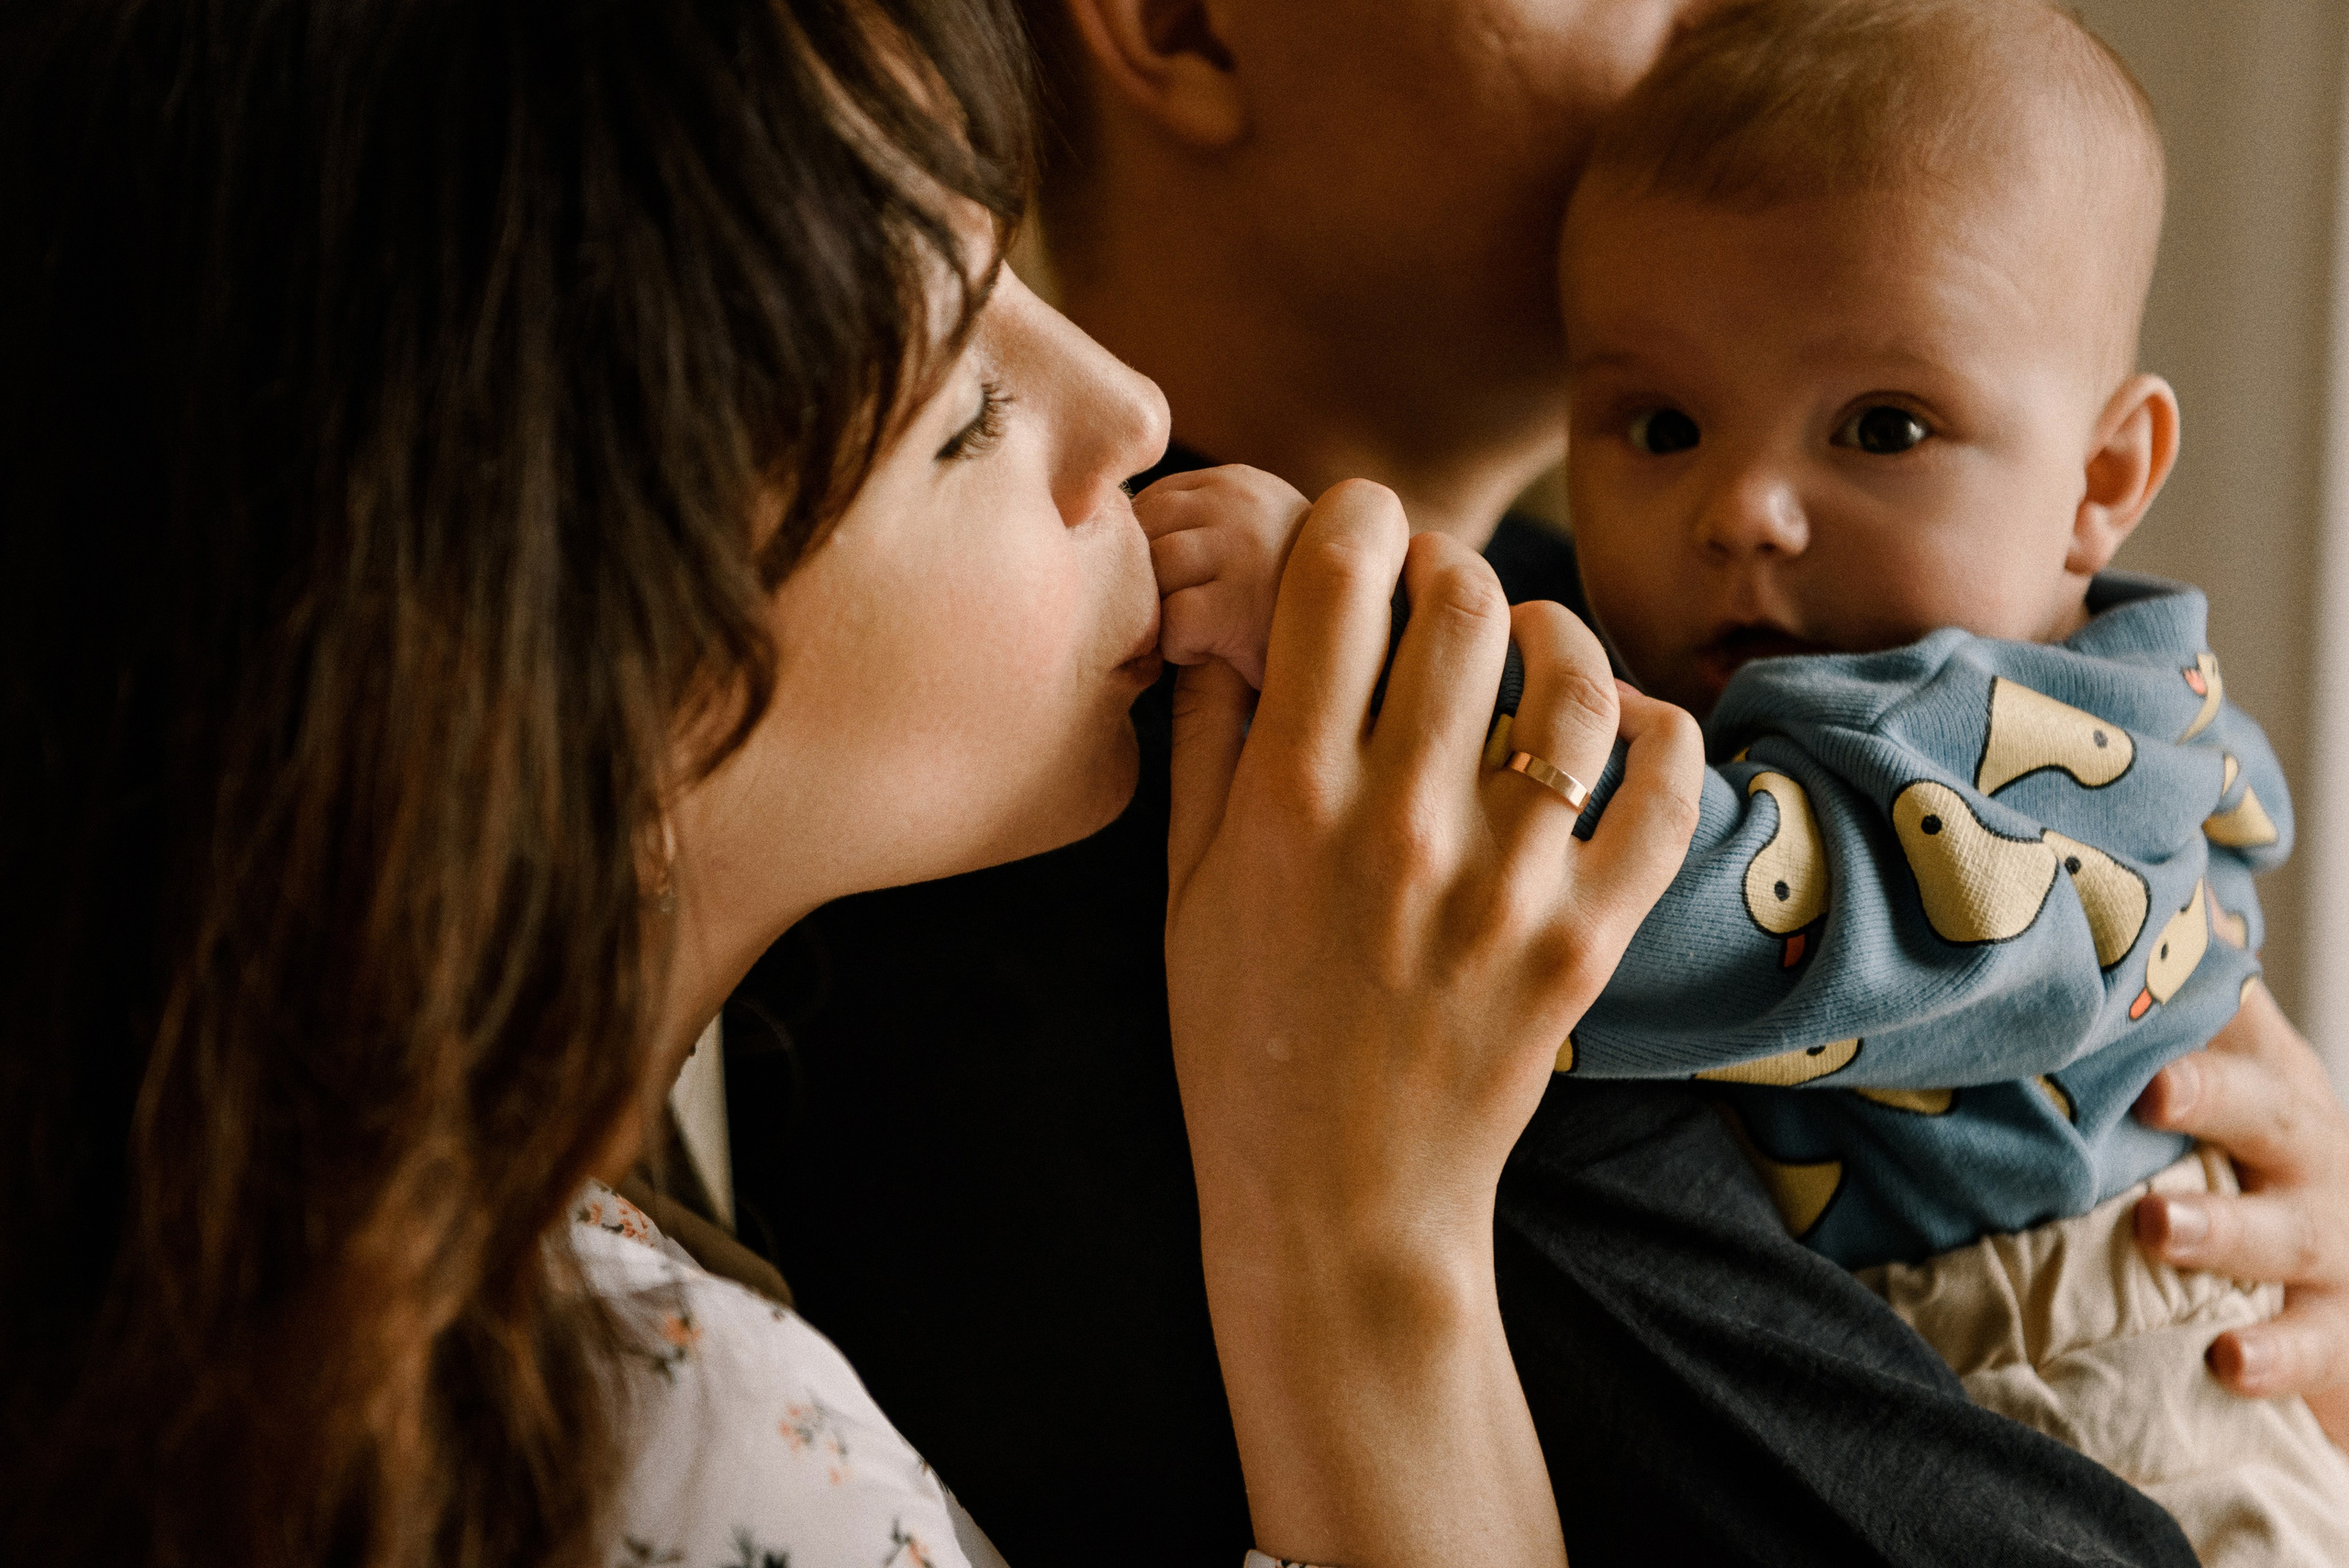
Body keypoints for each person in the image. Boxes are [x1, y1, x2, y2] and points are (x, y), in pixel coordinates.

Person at [0, 3, 1710, 1565]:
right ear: (553, 678)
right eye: (963, 409)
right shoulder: (668, 1449)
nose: (1128, 406)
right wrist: (1365, 1244)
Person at [732, 1, 2349, 1562]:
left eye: (1882, 424)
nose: (1739, 17)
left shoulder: (1666, 644)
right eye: (1662, 422)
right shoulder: (1119, 830)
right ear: (1185, 21)